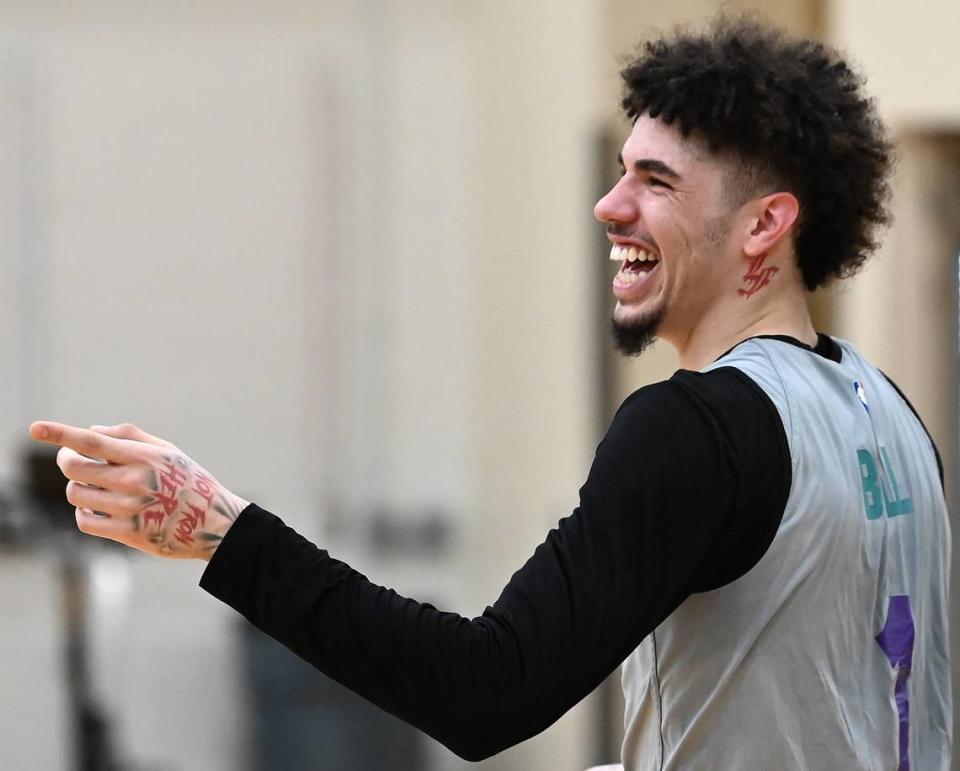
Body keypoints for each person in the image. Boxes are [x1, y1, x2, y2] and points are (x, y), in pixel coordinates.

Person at [29, 16, 952, 770]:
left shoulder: (694, 427)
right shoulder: (896, 418)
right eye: (621, 169)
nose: (610, 204)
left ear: (763, 226)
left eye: (655, 181)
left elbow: (484, 690)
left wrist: (223, 532)